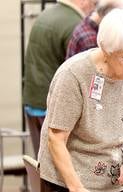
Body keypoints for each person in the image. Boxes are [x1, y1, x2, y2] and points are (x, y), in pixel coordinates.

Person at [38, 8, 123, 192]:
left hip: (113, 182)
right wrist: (78, 190)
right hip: (67, 183)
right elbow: (56, 139)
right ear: (106, 50)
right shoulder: (74, 75)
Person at [23, 0, 97, 157]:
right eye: (93, 2)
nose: (94, 8)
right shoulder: (75, 25)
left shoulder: (46, 15)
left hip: (33, 101)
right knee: (60, 168)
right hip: (51, 107)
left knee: (43, 166)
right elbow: (79, 76)